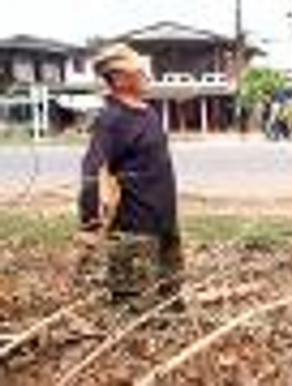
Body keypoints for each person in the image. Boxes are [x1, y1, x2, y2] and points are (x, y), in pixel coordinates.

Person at [77, 43, 183, 307]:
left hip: (165, 223)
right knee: (133, 308)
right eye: (140, 71)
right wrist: (90, 226)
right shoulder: (111, 120)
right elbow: (92, 172)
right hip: (133, 231)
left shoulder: (148, 113)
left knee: (170, 300)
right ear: (120, 79)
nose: (147, 76)